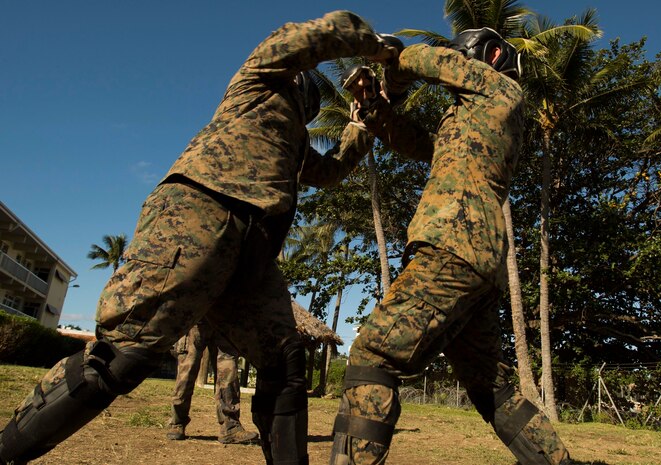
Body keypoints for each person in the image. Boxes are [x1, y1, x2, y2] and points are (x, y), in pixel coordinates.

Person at [0, 10, 399, 465]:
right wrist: (373, 46)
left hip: (254, 250)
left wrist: (362, 121)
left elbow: (330, 172)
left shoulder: (294, 142)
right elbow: (299, 38)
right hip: (200, 213)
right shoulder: (256, 84)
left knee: (283, 362)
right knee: (125, 352)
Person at [329, 28, 572, 465]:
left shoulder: (501, 91)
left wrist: (392, 59)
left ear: (491, 55)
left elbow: (429, 63)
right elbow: (419, 143)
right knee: (490, 384)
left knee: (372, 356)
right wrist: (379, 110)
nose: (457, 62)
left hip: (452, 246)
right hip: (477, 260)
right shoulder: (473, 117)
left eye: (464, 55)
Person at [167, 321, 258, 444]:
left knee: (228, 372)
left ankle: (230, 427)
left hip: (224, 320)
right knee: (187, 371)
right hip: (196, 319)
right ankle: (176, 423)